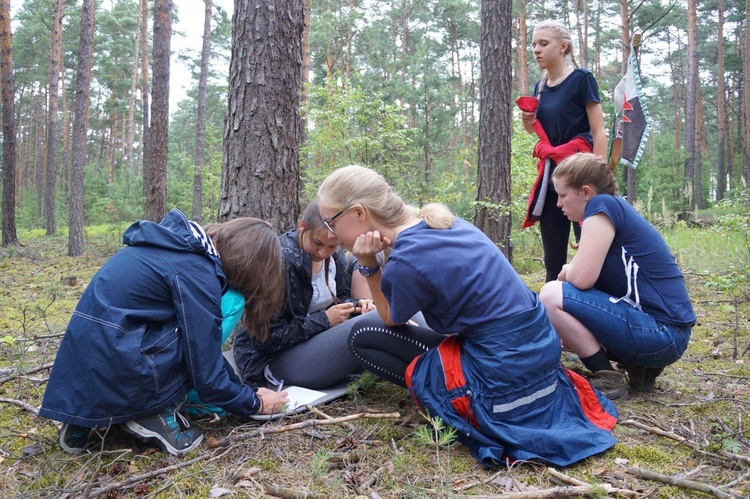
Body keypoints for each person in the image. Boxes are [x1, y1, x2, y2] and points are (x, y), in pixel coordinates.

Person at [316, 165, 618, 468]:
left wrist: (368, 262)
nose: (331, 234)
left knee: (364, 336)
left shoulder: (408, 258)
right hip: (538, 351)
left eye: (331, 222)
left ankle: (447, 405)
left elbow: (391, 317)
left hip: (503, 369)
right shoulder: (442, 223)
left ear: (358, 213)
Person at [40, 209, 290, 456]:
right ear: (249, 265)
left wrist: (244, 391)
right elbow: (203, 360)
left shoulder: (170, 247)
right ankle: (153, 412)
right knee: (229, 304)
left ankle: (81, 420)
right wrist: (255, 403)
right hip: (125, 367)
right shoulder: (196, 271)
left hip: (83, 372)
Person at [539, 153, 695, 401]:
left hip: (661, 334)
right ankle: (640, 368)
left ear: (586, 192)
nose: (558, 204)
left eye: (563, 195)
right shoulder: (614, 210)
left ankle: (607, 379)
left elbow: (581, 279)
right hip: (666, 335)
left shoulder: (602, 207)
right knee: (564, 298)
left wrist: (568, 270)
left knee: (550, 295)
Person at [233, 200, 376, 390]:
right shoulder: (279, 263)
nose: (323, 252)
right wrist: (324, 320)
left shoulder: (335, 257)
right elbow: (264, 340)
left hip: (313, 343)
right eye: (317, 242)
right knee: (369, 328)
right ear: (302, 226)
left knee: (375, 319)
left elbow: (340, 297)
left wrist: (358, 305)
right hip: (269, 359)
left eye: (332, 246)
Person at [519, 19, 607, 282]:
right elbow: (543, 134)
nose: (536, 49)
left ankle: (594, 312)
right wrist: (528, 124)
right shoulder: (540, 87)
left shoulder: (582, 79)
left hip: (582, 175)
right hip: (552, 177)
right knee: (553, 260)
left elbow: (598, 130)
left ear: (563, 47)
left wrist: (599, 176)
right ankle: (553, 316)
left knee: (590, 253)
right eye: (534, 44)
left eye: (543, 43)